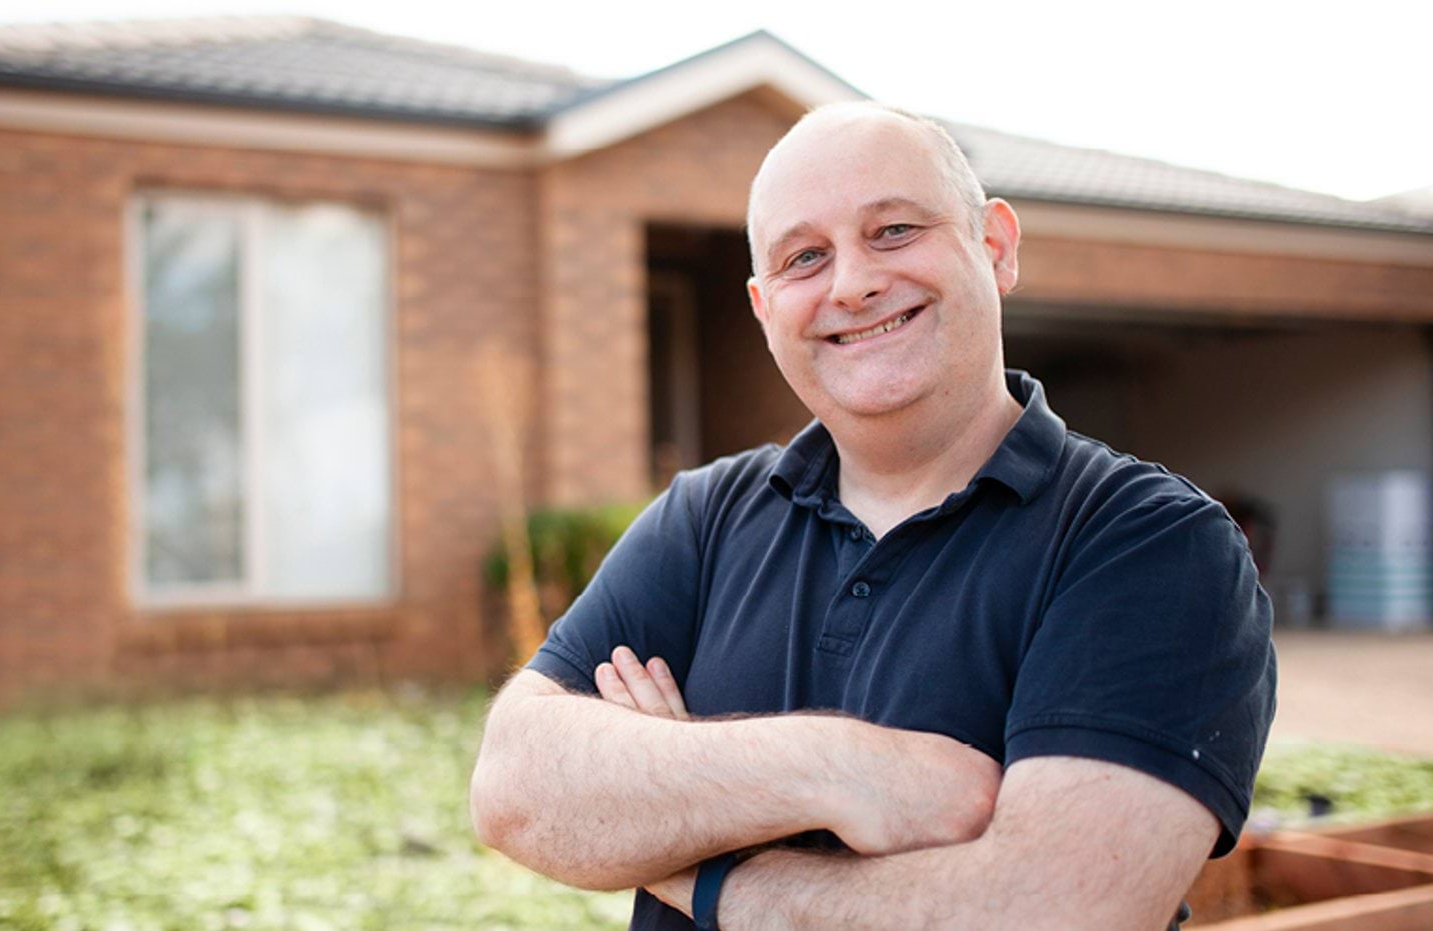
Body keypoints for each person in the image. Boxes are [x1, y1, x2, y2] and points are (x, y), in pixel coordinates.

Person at [470, 101, 1276, 930]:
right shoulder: (706, 517)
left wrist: (703, 867)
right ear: (763, 307)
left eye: (892, 231)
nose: (851, 283)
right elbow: (515, 786)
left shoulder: (1148, 543)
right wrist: (846, 766)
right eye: (804, 257)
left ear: (994, 246)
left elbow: (1048, 912)